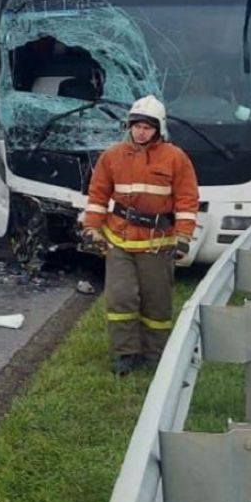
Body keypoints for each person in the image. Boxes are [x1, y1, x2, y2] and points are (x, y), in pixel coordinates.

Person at [81, 96, 199, 376]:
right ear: (129, 126)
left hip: (157, 244)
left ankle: (155, 355)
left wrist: (183, 236)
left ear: (159, 129)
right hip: (119, 240)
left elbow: (187, 200)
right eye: (136, 125)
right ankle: (126, 354)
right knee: (121, 299)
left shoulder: (175, 158)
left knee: (156, 302)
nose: (141, 131)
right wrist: (91, 228)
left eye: (147, 126)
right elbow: (98, 196)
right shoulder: (111, 156)